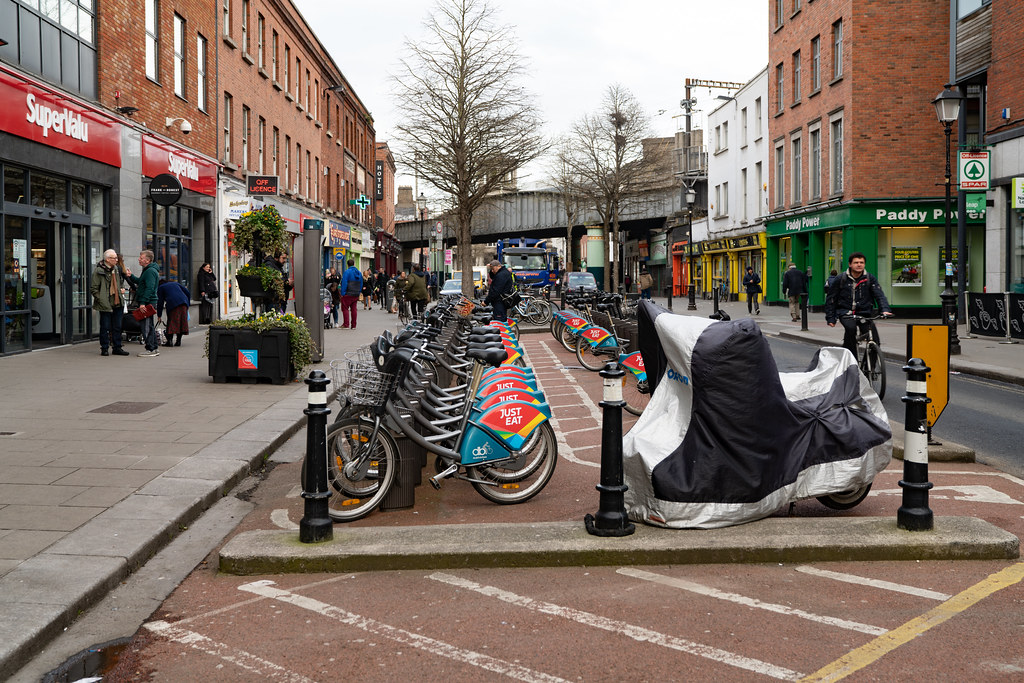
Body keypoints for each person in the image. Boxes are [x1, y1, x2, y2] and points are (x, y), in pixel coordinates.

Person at [825, 252, 893, 358]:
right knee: (851, 330)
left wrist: (884, 309)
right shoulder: (841, 278)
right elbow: (831, 299)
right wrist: (830, 318)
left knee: (874, 341)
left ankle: (869, 369)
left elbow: (879, 295)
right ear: (850, 264)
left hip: (864, 313)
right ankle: (853, 362)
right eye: (856, 262)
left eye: (862, 262)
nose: (859, 264)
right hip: (846, 312)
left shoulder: (869, 278)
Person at [90, 249, 130, 356]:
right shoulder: (99, 271)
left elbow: (119, 282)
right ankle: (104, 348)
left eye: (116, 258)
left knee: (117, 326)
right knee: (105, 327)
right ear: (107, 259)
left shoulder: (116, 269)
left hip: (117, 301)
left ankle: (117, 347)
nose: (116, 260)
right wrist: (101, 299)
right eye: (114, 258)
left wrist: (121, 289)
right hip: (105, 303)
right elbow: (94, 289)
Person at [125, 249, 161, 356]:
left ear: (147, 260)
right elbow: (141, 282)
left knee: (145, 326)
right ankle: (154, 347)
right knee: (149, 325)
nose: (139, 259)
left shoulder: (149, 271)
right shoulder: (149, 270)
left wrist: (142, 303)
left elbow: (149, 288)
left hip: (147, 302)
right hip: (149, 302)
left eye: (141, 258)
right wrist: (131, 276)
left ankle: (150, 349)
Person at [157, 277, 191, 347]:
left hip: (173, 305)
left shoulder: (161, 287)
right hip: (184, 304)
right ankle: (178, 341)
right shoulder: (176, 283)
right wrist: (188, 303)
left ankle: (169, 341)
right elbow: (188, 293)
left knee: (172, 322)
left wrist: (159, 315)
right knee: (182, 322)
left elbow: (160, 302)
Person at [339, 258, 363, 329]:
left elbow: (344, 283)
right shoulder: (359, 273)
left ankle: (346, 324)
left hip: (348, 293)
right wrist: (359, 292)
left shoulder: (347, 272)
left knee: (345, 308)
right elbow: (361, 283)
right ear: (354, 264)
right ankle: (354, 325)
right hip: (355, 293)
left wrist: (342, 293)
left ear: (347, 265)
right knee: (354, 309)